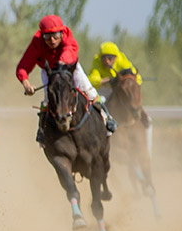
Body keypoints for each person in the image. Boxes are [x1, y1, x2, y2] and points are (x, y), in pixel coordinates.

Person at [16, 14, 116, 145]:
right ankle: (42, 131)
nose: (52, 40)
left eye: (55, 36)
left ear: (62, 33)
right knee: (47, 99)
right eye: (47, 37)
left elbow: (69, 51)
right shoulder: (37, 42)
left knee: (89, 91)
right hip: (49, 71)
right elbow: (23, 66)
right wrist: (26, 83)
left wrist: (62, 64)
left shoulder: (68, 36)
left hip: (69, 69)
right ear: (42, 35)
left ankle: (106, 118)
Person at [88, 41, 152, 127]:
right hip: (106, 88)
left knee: (132, 96)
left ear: (115, 57)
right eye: (103, 58)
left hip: (121, 87)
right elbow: (91, 80)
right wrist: (104, 81)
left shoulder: (122, 60)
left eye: (110, 58)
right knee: (101, 100)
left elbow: (137, 78)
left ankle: (141, 113)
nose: (106, 61)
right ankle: (102, 121)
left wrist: (127, 82)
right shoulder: (97, 61)